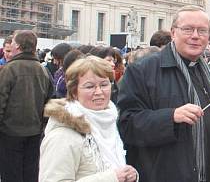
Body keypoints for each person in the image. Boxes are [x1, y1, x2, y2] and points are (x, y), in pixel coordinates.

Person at [117, 5, 210, 182]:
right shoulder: (142, 70)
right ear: (173, 33)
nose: (195, 36)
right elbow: (126, 125)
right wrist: (170, 117)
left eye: (202, 31)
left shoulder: (209, 73)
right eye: (187, 29)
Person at [39, 56, 138, 182]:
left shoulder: (108, 123)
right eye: (89, 86)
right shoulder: (63, 135)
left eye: (104, 84)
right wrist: (112, 178)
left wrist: (129, 175)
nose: (99, 92)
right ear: (74, 92)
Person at [0, 30, 54, 182]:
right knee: (31, 173)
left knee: (11, 174)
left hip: (10, 132)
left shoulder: (9, 69)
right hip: (35, 131)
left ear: (17, 46)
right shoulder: (42, 70)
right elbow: (50, 101)